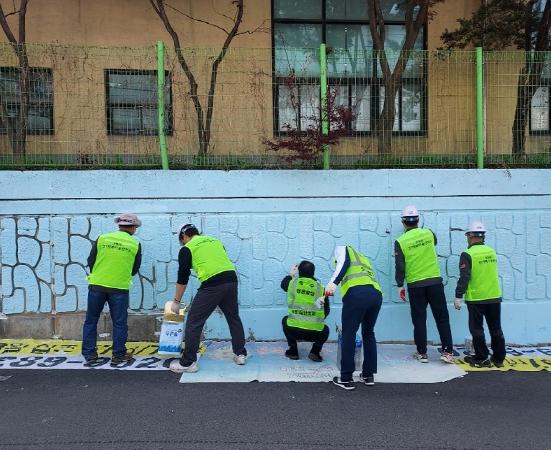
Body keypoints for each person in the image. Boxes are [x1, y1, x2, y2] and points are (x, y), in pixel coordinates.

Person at [168, 224, 247, 373]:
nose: (182, 243)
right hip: (231, 280)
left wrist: (176, 302)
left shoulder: (187, 248)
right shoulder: (215, 241)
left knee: (194, 321)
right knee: (233, 317)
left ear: (183, 236)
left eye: (181, 240)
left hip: (212, 285)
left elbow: (182, 278)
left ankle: (187, 363)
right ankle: (240, 354)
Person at [395, 205, 455, 364]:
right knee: (442, 318)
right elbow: (434, 242)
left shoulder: (400, 241)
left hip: (416, 285)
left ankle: (422, 353)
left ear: (403, 222)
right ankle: (447, 352)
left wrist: (400, 285)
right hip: (435, 282)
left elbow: (400, 265)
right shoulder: (429, 233)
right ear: (418, 220)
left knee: (419, 320)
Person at [82, 213, 142, 367]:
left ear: (119, 225)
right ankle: (118, 355)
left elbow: (91, 260)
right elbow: (135, 269)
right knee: (119, 323)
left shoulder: (102, 238)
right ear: (134, 228)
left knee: (91, 320)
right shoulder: (135, 244)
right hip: (119, 288)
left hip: (97, 285)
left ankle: (90, 355)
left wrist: (101, 274)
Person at [325, 245, 383, 390]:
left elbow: (343, 263)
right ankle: (368, 375)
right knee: (368, 333)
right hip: (375, 295)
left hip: (356, 295)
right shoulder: (363, 259)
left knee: (348, 334)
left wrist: (333, 283)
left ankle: (346, 378)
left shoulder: (342, 249)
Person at [453, 221, 506, 368]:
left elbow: (465, 277)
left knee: (477, 329)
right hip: (494, 296)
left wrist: (458, 295)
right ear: (483, 236)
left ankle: (482, 357)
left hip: (477, 298)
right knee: (496, 328)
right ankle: (499, 359)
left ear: (470, 236)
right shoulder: (491, 251)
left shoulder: (467, 254)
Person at [280, 260, 329, 362]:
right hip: (315, 333)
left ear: (299, 272)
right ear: (313, 273)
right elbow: (326, 311)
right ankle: (315, 352)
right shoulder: (321, 289)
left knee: (285, 320)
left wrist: (291, 274)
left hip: (293, 330)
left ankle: (293, 351)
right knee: (326, 330)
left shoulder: (293, 284)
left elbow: (283, 284)